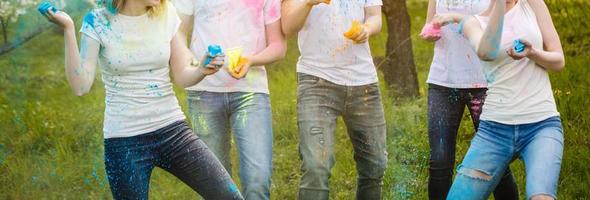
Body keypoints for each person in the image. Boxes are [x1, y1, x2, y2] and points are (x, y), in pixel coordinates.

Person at [42, 0, 243, 199]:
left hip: (173, 130)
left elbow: (182, 75)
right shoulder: (97, 21)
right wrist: (68, 29)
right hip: (124, 141)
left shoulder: (167, 13)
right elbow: (80, 86)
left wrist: (201, 70)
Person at [432, 0, 566, 199]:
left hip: (541, 125)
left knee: (541, 196)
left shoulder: (533, 4)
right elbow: (487, 52)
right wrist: (500, 7)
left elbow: (559, 61)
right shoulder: (473, 22)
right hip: (494, 132)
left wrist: (533, 53)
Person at [172, 0, 286, 199]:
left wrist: (251, 60)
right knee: (215, 186)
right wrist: (193, 61)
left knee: (257, 181)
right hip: (204, 91)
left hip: (252, 92)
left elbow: (278, 46)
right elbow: (178, 32)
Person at [281, 0, 387, 199]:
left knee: (375, 164)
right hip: (316, 81)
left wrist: (366, 28)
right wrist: (308, 3)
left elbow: (375, 18)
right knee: (316, 167)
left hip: (363, 82)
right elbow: (287, 27)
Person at [420, 0, 518, 199]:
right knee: (439, 161)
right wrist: (430, 31)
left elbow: (504, 27)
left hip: (485, 83)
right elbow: (430, 24)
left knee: (495, 159)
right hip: (443, 81)